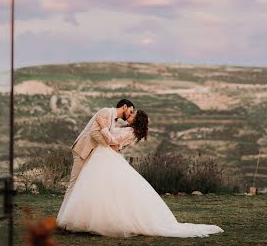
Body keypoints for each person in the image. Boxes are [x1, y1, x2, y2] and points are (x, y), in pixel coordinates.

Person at [57, 110, 223, 238]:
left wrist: (102, 126)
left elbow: (113, 141)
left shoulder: (130, 132)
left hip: (106, 157)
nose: (130, 114)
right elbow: (116, 143)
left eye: (133, 114)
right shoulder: (130, 130)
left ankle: (91, 221)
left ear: (136, 120)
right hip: (104, 156)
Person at [61, 99, 135, 207]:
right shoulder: (106, 112)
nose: (130, 114)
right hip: (83, 150)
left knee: (83, 186)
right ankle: (62, 219)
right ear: (124, 107)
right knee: (74, 184)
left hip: (91, 153)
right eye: (131, 111)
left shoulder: (113, 120)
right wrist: (108, 145)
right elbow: (94, 133)